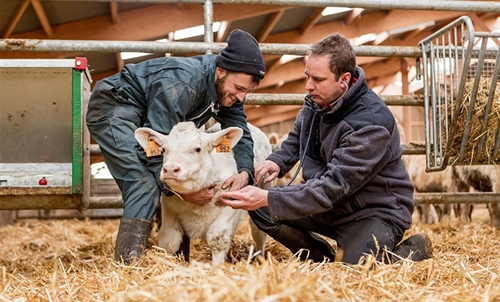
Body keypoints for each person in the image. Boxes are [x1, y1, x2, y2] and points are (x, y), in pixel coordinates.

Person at [220, 33, 433, 264]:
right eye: (307, 76)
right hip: (328, 205)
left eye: (318, 79)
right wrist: (277, 162)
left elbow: (334, 186)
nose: (308, 85)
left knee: (358, 270)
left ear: (344, 80)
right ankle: (321, 259)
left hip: (371, 212)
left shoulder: (371, 124)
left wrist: (269, 195)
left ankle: (415, 248)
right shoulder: (318, 100)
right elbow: (297, 138)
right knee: (262, 209)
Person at [86, 29, 266, 264]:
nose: (241, 97)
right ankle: (128, 267)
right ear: (221, 71)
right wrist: (184, 194)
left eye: (246, 92)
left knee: (167, 178)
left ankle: (177, 259)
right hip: (116, 108)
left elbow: (240, 133)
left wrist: (245, 172)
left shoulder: (227, 91)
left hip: (145, 114)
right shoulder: (182, 83)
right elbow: (158, 155)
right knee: (144, 182)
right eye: (239, 88)